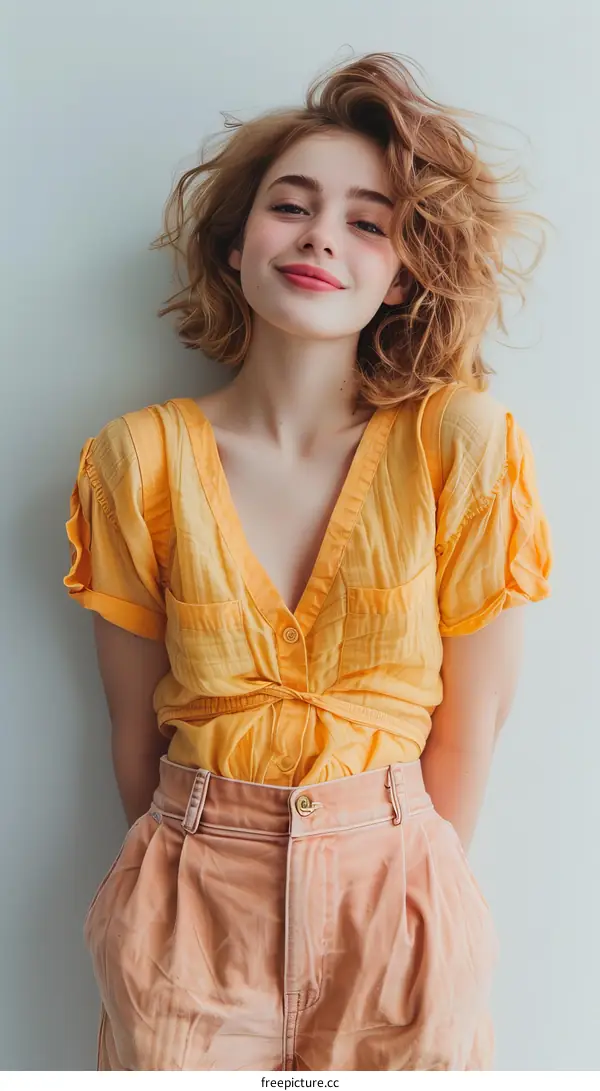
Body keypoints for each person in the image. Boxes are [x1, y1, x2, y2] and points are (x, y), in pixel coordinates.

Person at [63, 52, 553, 1072]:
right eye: (293, 205)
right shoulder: (134, 458)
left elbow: (470, 730)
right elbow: (131, 731)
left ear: (403, 271)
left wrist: (408, 885)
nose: (324, 233)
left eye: (370, 221)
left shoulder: (458, 443)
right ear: (236, 244)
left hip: (401, 896)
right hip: (192, 905)